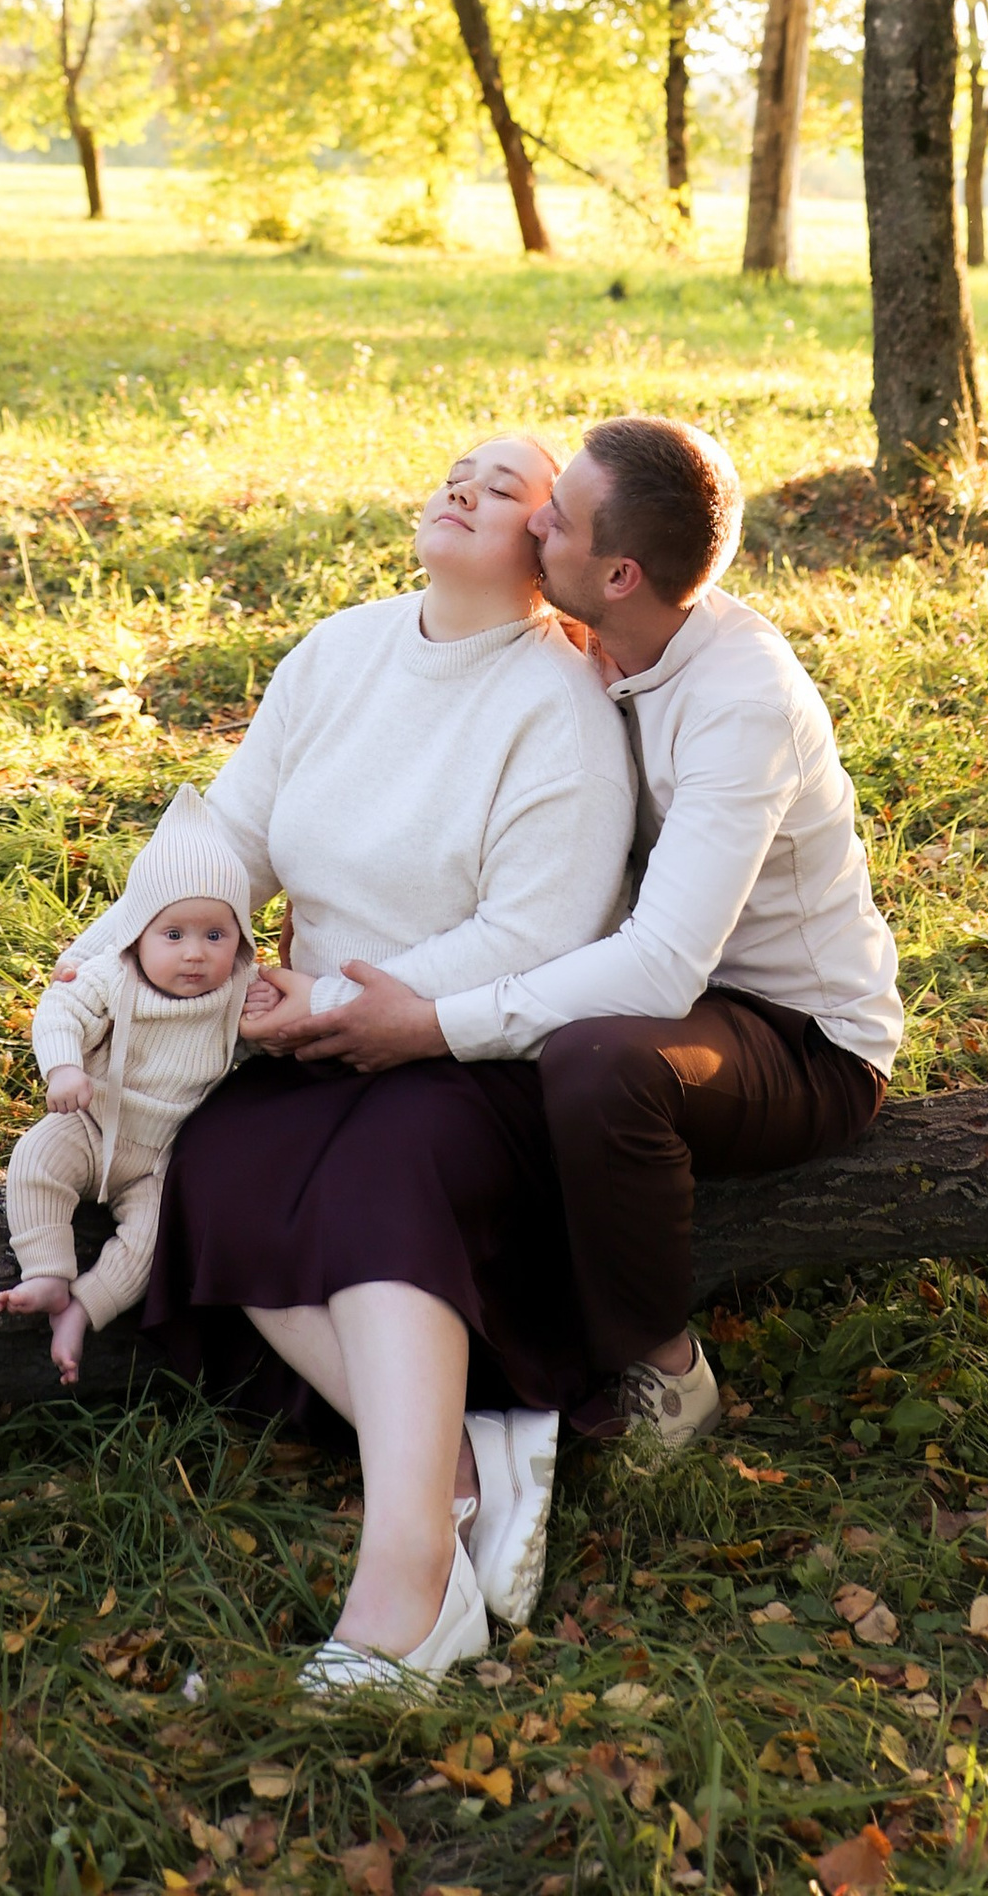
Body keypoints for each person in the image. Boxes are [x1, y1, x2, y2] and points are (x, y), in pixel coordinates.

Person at [62, 434, 635, 1689]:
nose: (465, 488)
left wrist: (333, 999)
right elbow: (230, 840)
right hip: (309, 1038)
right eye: (459, 471)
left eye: (505, 488)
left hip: (475, 1051)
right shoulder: (339, 651)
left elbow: (536, 938)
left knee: (382, 1173)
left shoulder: (562, 708)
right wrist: (101, 964)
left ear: (548, 547)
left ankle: (409, 1588)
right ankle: (469, 1459)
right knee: (209, 1164)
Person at [290, 413, 901, 1450]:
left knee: (595, 1061)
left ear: (619, 575)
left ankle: (664, 1368)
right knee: (525, 1068)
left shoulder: (739, 702)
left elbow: (660, 969)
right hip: (667, 987)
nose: (534, 523)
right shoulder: (604, 640)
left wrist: (433, 1023)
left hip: (795, 1035)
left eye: (558, 520)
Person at [0, 788, 255, 1386]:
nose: (195, 954)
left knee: (153, 1243)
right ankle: (47, 1271)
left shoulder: (240, 989)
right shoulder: (114, 975)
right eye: (174, 935)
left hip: (163, 1157)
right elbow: (61, 1009)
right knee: (36, 1158)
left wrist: (272, 1023)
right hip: (93, 1123)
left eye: (216, 936)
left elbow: (262, 1046)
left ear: (240, 937)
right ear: (137, 933)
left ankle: (84, 1309)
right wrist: (64, 1068)